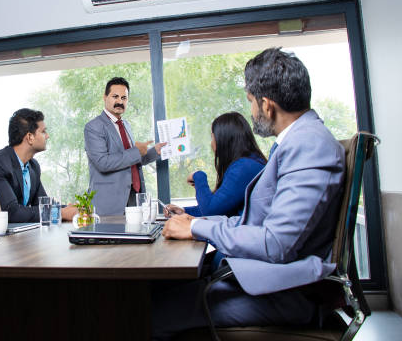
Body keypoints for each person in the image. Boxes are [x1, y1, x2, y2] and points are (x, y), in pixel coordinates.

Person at [154, 48, 345, 339]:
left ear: (267, 106)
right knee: (157, 289)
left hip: (283, 292)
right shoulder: (299, 142)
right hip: (260, 279)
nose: (252, 111)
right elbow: (251, 220)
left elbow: (275, 242)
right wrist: (197, 225)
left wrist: (196, 227)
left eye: (251, 102)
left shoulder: (309, 145)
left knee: (149, 312)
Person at [84, 77, 166, 216]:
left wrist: (154, 152)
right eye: (115, 96)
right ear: (105, 97)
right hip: (110, 203)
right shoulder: (94, 127)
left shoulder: (126, 125)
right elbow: (103, 163)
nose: (120, 102)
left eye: (124, 98)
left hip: (134, 196)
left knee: (136, 236)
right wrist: (136, 151)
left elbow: (130, 160)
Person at [164, 112, 266, 218]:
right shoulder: (249, 163)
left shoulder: (244, 167)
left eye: (212, 137)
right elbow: (220, 207)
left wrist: (198, 176)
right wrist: (184, 211)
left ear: (223, 140)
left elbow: (211, 211)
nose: (211, 143)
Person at [0, 108, 77, 222]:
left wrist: (70, 209)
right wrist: (60, 213)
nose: (47, 136)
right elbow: (11, 212)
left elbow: (43, 204)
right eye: (43, 132)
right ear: (30, 137)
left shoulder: (33, 166)